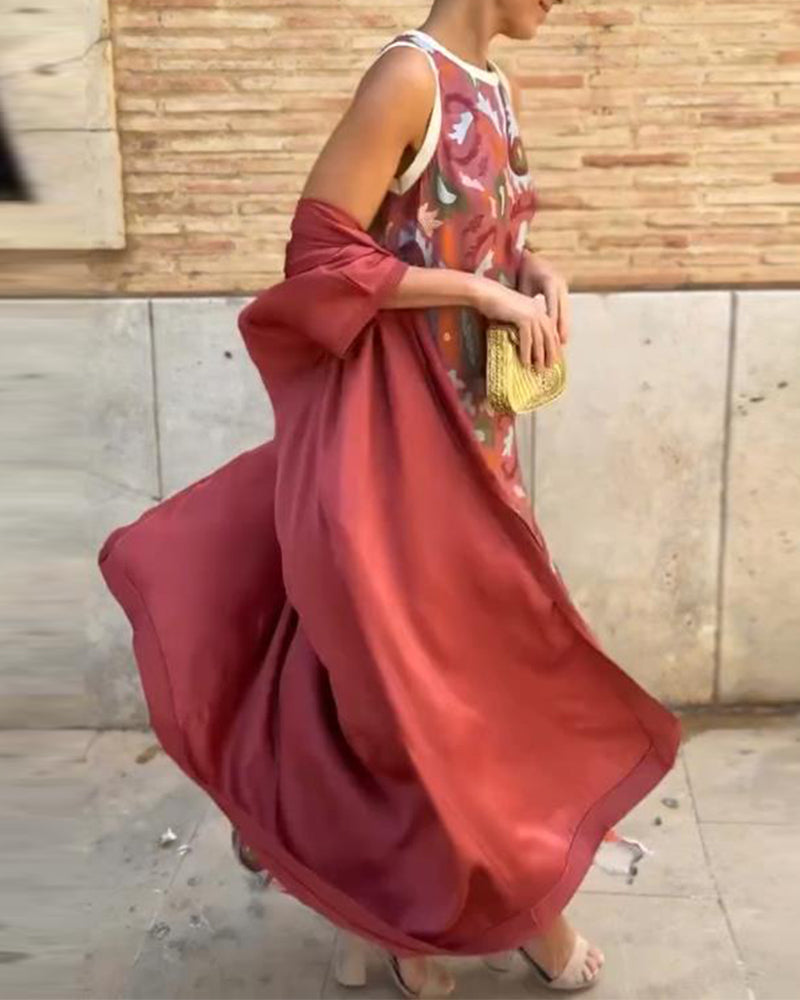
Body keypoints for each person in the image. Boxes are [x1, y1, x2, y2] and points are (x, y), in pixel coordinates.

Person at [100, 1, 680, 996]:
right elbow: (320, 257)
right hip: (393, 446)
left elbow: (472, 238)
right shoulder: (408, 78)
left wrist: (535, 273)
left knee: (451, 673)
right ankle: (503, 916)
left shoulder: (492, 85)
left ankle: (386, 910)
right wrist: (480, 295)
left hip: (472, 440)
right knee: (423, 686)